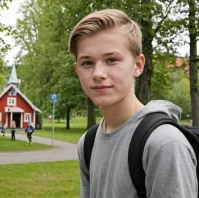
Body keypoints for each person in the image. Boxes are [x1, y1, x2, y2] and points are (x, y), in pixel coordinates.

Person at [68, 9, 197, 198]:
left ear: (138, 65)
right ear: (77, 70)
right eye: (87, 63)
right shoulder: (87, 143)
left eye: (112, 60)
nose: (97, 73)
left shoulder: (163, 143)